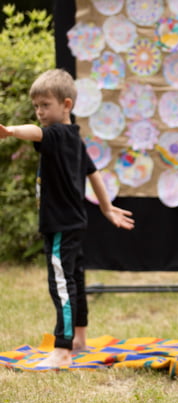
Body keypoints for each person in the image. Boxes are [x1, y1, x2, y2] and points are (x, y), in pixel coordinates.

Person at [0, 68, 135, 368]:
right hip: (74, 222)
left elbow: (35, 132)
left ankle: (62, 350)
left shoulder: (57, 133)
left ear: (66, 105)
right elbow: (94, 173)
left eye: (44, 105)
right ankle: (80, 338)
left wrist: (10, 131)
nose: (39, 112)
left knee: (60, 282)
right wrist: (106, 207)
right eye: (36, 107)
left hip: (60, 225)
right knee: (75, 279)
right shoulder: (74, 138)